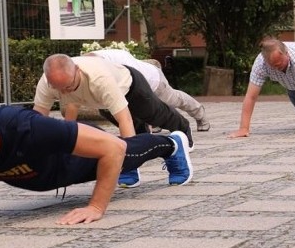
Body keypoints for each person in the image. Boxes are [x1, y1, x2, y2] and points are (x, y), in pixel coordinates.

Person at [0, 102, 193, 225]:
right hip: (37, 174)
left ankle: (172, 144)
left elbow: (114, 148)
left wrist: (95, 207)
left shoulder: (29, 128)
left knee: (125, 154)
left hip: (71, 160)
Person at [33, 54, 193, 188]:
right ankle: (141, 140)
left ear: (77, 70)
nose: (62, 92)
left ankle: (181, 133)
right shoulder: (48, 83)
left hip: (129, 86)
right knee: (137, 131)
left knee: (154, 115)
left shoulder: (99, 78)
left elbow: (125, 120)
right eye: (57, 88)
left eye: (68, 87)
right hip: (100, 100)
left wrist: (129, 160)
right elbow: (37, 123)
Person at [85, 48, 210, 132]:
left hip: (152, 80)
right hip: (132, 85)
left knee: (173, 100)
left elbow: (134, 89)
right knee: (107, 108)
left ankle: (200, 113)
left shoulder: (116, 62)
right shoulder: (89, 63)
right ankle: (149, 126)